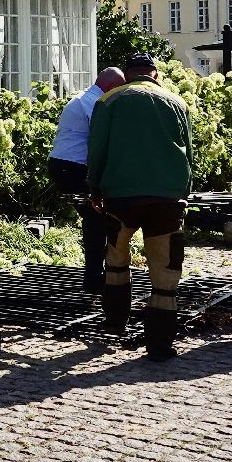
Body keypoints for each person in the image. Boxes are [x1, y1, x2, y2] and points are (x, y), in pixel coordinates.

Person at [86, 52, 194, 361]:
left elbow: (97, 148)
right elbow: (189, 150)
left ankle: (116, 322)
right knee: (165, 269)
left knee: (117, 258)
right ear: (155, 75)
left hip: (121, 196)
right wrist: (185, 190)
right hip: (168, 198)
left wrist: (94, 186)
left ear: (128, 75)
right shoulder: (177, 102)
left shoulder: (109, 101)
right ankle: (160, 345)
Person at [48, 66, 126, 291]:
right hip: (71, 167)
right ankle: (94, 277)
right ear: (112, 87)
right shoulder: (94, 103)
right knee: (97, 217)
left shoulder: (87, 98)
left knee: (97, 218)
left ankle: (96, 274)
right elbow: (102, 138)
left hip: (65, 165)